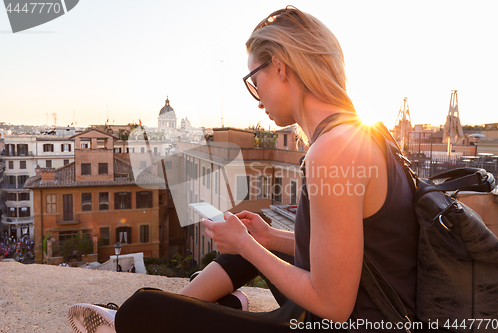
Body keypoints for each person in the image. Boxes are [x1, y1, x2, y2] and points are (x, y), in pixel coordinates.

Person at [68, 6, 419, 333]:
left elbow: (333, 305)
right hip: (378, 310)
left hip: (352, 323)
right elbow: (349, 254)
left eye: (254, 79)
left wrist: (249, 248)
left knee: (144, 308)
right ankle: (216, 302)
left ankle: (133, 322)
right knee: (249, 244)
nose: (256, 96)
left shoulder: (333, 152)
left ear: (280, 67)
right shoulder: (361, 135)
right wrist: (264, 240)